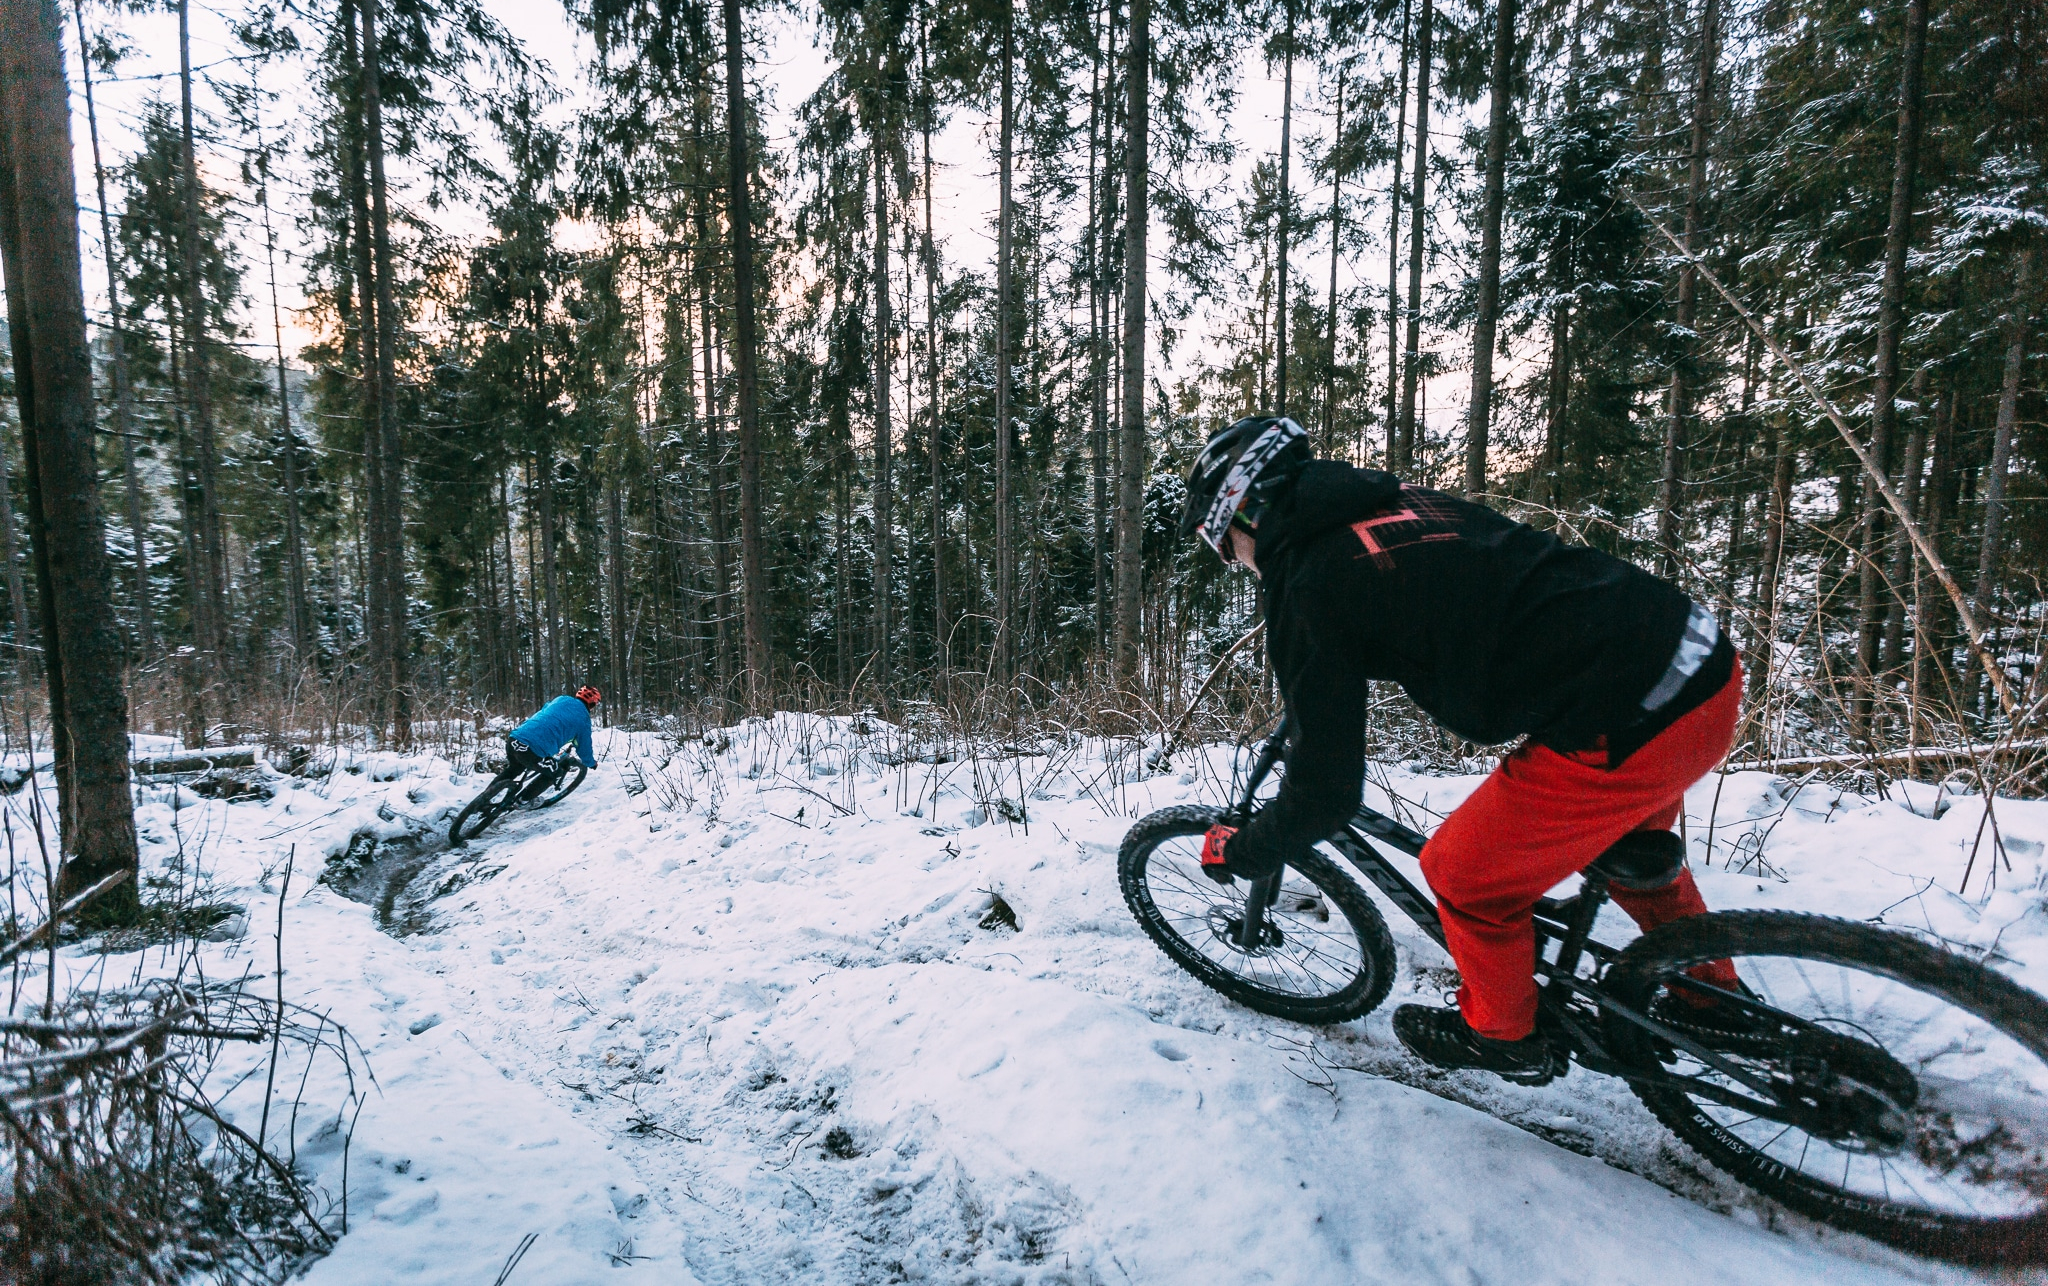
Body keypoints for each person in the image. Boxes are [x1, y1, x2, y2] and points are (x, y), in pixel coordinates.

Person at [1180, 416, 1742, 1086]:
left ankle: (1502, 1037)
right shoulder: (1400, 499)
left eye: (1224, 545)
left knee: (1463, 876)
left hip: (1630, 718)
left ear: (1247, 511)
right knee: (1623, 845)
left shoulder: (1306, 584)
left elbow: (1325, 796)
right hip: (1697, 664)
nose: (1234, 560)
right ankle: (1711, 999)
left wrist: (1243, 851)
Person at [507, 686, 602, 799]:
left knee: (514, 769)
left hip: (514, 739)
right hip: (532, 750)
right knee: (556, 772)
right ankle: (523, 800)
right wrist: (591, 763)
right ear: (592, 704)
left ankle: (484, 798)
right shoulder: (584, 720)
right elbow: (583, 747)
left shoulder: (561, 699)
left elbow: (545, 710)